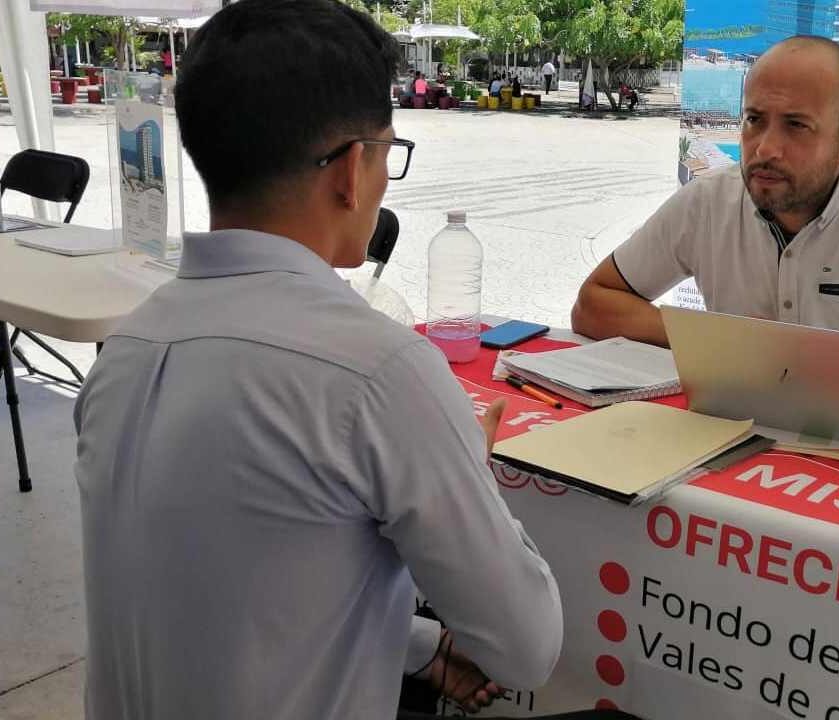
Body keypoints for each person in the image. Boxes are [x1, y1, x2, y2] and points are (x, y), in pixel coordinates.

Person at [74, 1, 565, 718]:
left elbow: (245, 588)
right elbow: (527, 648)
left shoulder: (126, 349)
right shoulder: (377, 373)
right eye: (389, 153)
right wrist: (469, 474)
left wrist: (420, 648)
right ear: (350, 170)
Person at [571, 35, 839, 409]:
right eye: (754, 120)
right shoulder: (708, 201)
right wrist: (717, 341)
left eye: (796, 126)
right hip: (729, 431)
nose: (765, 148)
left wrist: (777, 356)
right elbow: (594, 304)